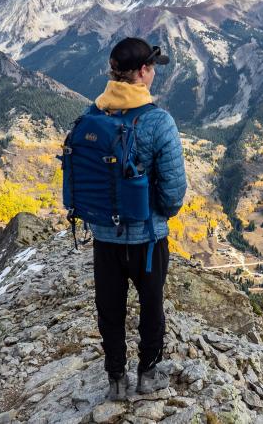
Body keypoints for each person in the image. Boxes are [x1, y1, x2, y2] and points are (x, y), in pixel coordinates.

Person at [88, 37, 186, 400]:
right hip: (147, 238)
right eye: (153, 68)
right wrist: (161, 213)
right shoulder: (158, 121)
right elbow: (174, 191)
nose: (154, 74)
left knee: (110, 310)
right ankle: (147, 374)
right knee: (151, 306)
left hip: (104, 236)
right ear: (143, 71)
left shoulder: (93, 114)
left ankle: (116, 379)